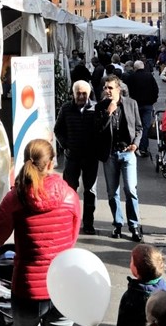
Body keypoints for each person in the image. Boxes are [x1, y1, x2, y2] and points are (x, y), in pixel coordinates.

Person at [0, 139, 80, 326]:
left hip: (27, 287)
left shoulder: (15, 198)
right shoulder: (70, 196)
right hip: (62, 287)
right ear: (51, 164)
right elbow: (71, 240)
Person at [97, 74, 144, 241]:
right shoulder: (101, 107)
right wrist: (107, 114)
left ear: (118, 89)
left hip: (128, 152)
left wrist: (136, 144)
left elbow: (139, 127)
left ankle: (134, 225)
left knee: (130, 189)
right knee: (112, 192)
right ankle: (117, 224)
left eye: (110, 88)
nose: (107, 90)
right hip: (110, 154)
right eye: (105, 88)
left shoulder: (131, 104)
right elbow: (98, 132)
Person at [54, 80, 99, 234]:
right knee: (69, 190)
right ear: (73, 93)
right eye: (78, 93)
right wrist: (66, 144)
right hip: (72, 156)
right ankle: (68, 221)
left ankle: (88, 223)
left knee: (90, 191)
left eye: (84, 93)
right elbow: (58, 129)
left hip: (90, 157)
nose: (81, 96)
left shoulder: (95, 108)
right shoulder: (66, 108)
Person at [116, 244, 166, 326]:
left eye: (132, 261)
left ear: (136, 270)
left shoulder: (131, 296)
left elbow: (123, 324)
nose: (130, 263)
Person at [126, 61, 159, 157]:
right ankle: (143, 148)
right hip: (147, 104)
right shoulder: (149, 76)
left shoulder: (131, 77)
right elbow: (155, 89)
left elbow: (128, 91)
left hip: (135, 104)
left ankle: (135, 146)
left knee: (135, 126)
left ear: (135, 68)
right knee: (145, 126)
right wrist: (153, 100)